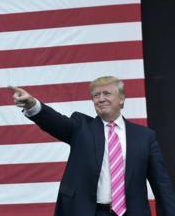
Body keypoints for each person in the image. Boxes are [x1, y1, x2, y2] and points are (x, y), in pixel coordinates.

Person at [10, 76, 175, 216]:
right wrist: (32, 105)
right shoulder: (81, 127)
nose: (101, 99)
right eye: (96, 95)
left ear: (122, 98)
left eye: (107, 93)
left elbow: (161, 184)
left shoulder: (145, 137)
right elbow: (55, 122)